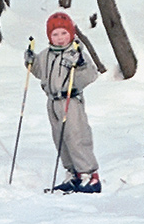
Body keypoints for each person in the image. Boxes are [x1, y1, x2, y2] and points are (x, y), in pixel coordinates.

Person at [24, 12, 102, 193]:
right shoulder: (46, 55)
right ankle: (73, 173)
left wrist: (80, 64)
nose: (60, 38)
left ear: (72, 33)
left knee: (76, 136)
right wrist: (31, 61)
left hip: (70, 101)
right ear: (49, 36)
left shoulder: (75, 53)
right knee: (60, 138)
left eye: (64, 34)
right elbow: (40, 72)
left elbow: (91, 75)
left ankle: (89, 175)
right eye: (55, 34)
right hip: (52, 102)